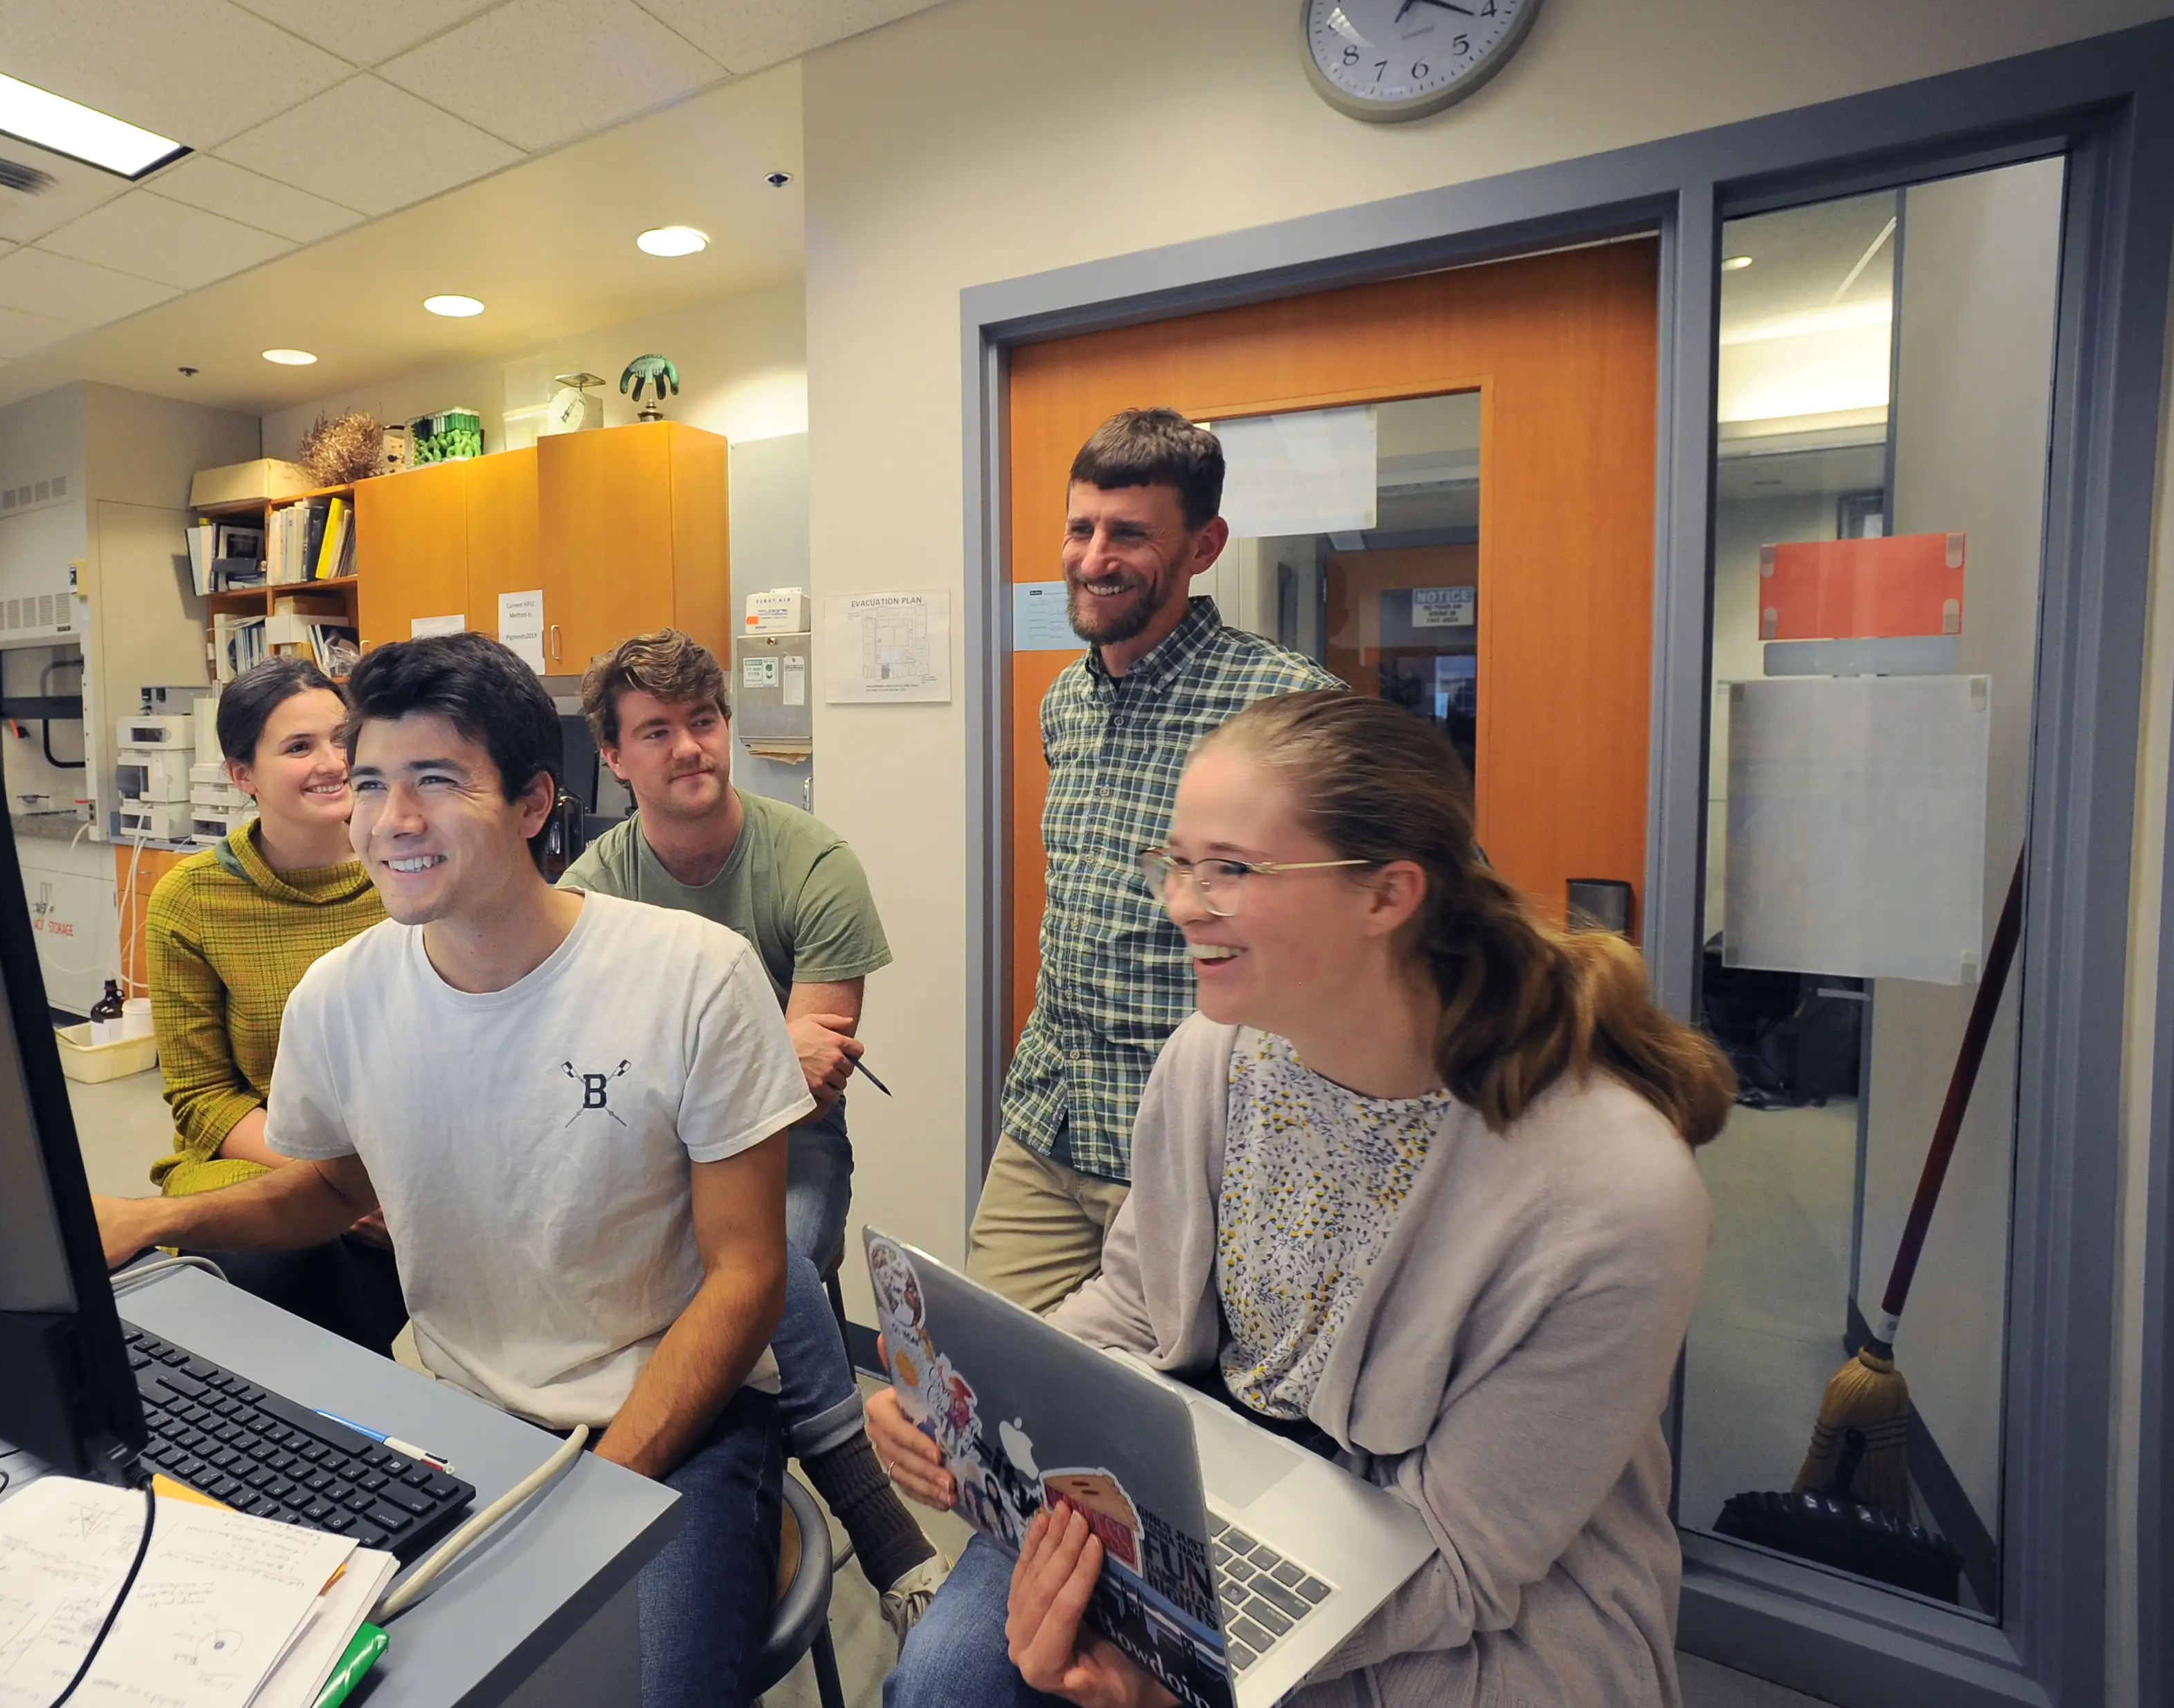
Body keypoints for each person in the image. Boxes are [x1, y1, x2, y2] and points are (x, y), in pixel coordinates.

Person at [871, 691, 1729, 1707]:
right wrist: (973, 1422)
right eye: (1177, 863)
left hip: (1438, 1579)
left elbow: (1461, 1560)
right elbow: (1137, 1311)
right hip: (1206, 1477)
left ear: (1387, 895)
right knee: (950, 1680)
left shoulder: (1613, 1195)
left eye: (1230, 869)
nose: (1182, 903)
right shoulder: (1212, 1060)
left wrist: (1179, 1673)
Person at [94, 632, 804, 1708]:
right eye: (372, 783)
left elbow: (748, 1274)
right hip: (453, 1412)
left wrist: (597, 1494)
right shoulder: (343, 994)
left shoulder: (691, 976)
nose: (392, 821)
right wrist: (150, 1223)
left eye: (437, 782)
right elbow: (333, 1190)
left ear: (532, 804)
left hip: (669, 1423)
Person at [566, 628, 946, 1632]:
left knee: (751, 1249)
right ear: (613, 757)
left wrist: (684, 1072)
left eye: (705, 721)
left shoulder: (812, 862)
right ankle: (787, 1510)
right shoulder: (591, 886)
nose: (690, 748)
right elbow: (583, 1074)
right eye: (657, 732)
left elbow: (809, 1087)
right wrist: (742, 1063)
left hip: (791, 1156)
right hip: (645, 1154)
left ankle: (832, 1525)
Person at [977, 408, 1337, 1315]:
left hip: (1196, 1145)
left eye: (1129, 534)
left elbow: (1403, 918)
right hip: (1048, 1120)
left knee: (1157, 1433)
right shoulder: (1066, 700)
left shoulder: (1287, 704)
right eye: (1080, 527)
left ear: (1203, 545)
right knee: (979, 1390)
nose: (1093, 557)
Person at [138, 655, 403, 1353]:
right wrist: (336, 1186)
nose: (332, 763)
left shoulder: (411, 872)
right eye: (298, 747)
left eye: (342, 739)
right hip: (256, 1157)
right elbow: (202, 1097)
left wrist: (390, 1180)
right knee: (287, 1266)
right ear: (242, 775)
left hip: (403, 1159)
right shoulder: (190, 900)